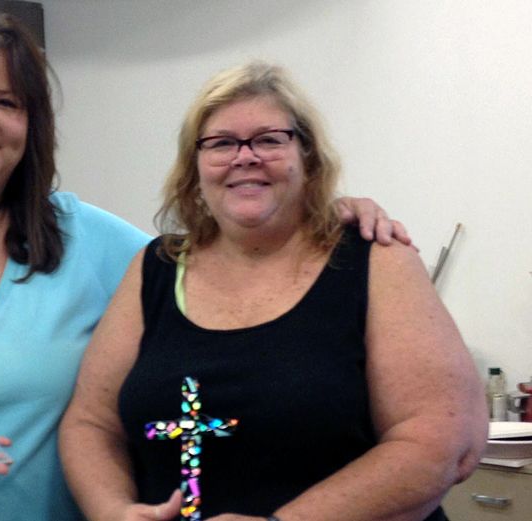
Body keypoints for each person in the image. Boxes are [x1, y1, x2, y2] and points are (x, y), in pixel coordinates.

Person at [0, 9, 409, 521]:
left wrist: (322, 213)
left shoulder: (94, 240)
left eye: (9, 103)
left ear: (32, 125)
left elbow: (220, 250)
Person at [58, 61, 487, 521]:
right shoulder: (155, 268)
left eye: (268, 139)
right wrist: (111, 511)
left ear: (308, 158)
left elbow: (442, 440)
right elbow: (90, 424)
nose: (245, 156)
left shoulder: (375, 259)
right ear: (194, 168)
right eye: (221, 143)